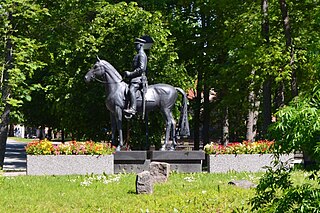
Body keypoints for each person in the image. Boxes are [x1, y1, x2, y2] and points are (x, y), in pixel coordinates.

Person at [123, 38, 147, 115]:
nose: (135, 46)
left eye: (136, 44)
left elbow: (141, 68)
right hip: (135, 78)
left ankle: (133, 108)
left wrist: (130, 74)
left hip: (139, 79)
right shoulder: (138, 55)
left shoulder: (141, 55)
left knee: (131, 89)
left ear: (141, 45)